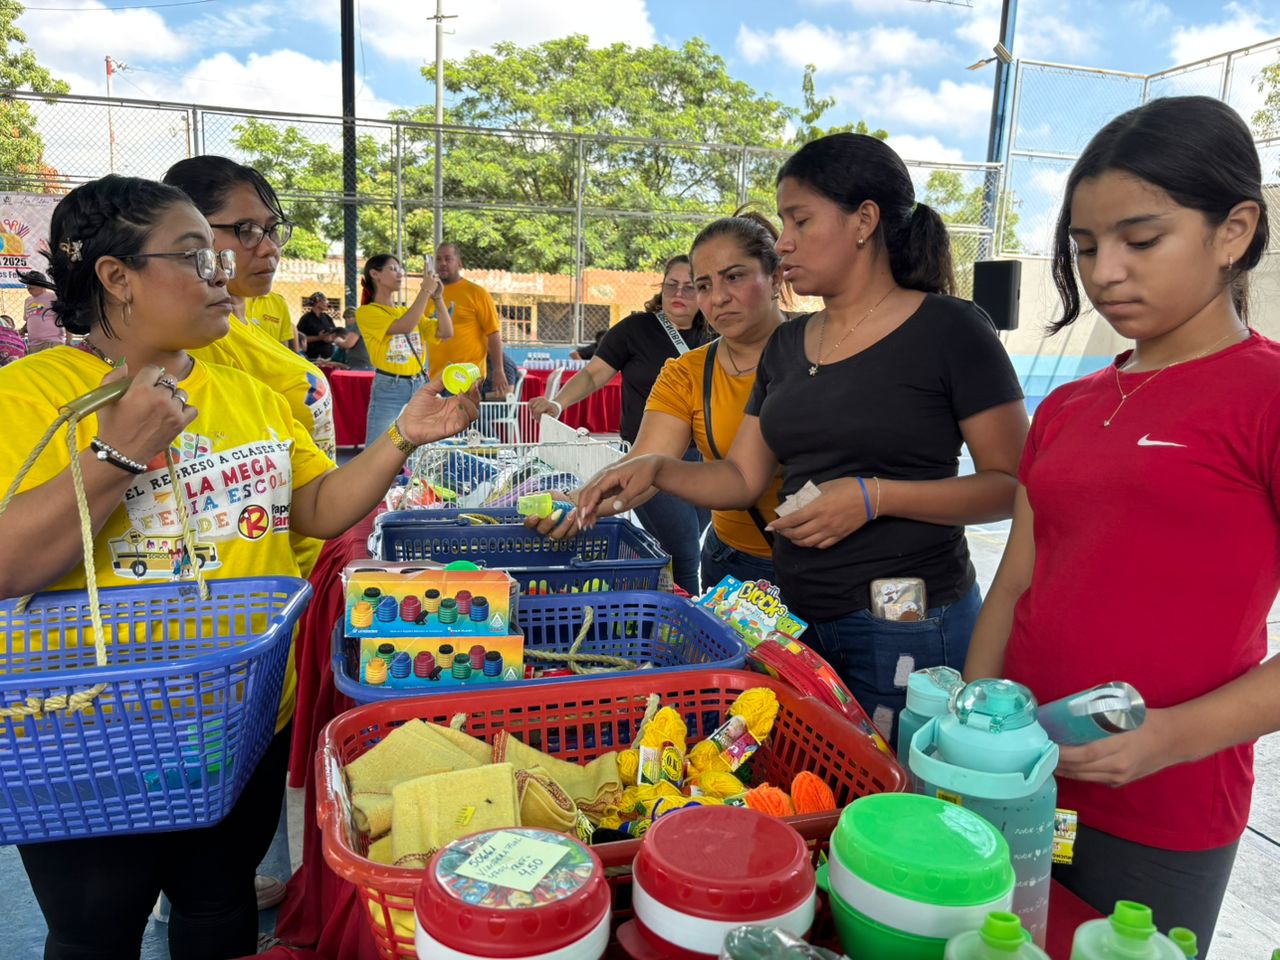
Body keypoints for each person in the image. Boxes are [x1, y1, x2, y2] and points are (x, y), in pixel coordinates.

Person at [0, 174, 478, 960]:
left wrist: (403, 442)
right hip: (95, 729)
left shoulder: (247, 394)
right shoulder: (35, 394)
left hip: (240, 714)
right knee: (95, 933)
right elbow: (12, 563)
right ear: (116, 277)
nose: (223, 277)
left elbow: (317, 509)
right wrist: (120, 450)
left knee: (219, 908)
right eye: (195, 258)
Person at [575, 133, 1027, 741]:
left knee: (894, 800)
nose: (783, 239)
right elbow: (741, 479)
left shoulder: (949, 328)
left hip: (904, 622)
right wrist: (658, 470)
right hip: (794, 617)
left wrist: (875, 497)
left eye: (800, 219)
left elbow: (1011, 486)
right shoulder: (790, 345)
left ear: (864, 220)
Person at [964, 96, 1277, 950]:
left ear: (1234, 231)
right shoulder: (1066, 406)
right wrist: (971, 727)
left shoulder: (1265, 396)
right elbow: (1016, 581)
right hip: (1020, 778)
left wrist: (1172, 737)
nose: (1105, 272)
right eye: (1086, 246)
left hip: (1164, 807)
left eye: (1141, 241)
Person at [527, 212, 786, 589]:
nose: (718, 297)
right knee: (684, 550)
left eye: (734, 277)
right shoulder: (686, 371)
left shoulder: (820, 353)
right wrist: (575, 502)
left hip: (828, 570)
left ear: (776, 278)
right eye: (704, 284)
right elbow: (646, 460)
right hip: (733, 570)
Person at [530, 255, 713, 594]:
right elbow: (593, 374)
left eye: (691, 287)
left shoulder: (715, 331)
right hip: (647, 456)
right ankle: (688, 625)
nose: (680, 293)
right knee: (686, 552)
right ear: (661, 288)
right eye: (672, 284)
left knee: (677, 547)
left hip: (705, 459)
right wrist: (558, 403)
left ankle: (657, 607)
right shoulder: (637, 329)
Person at [358, 253, 453, 445]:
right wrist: (425, 291)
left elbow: (446, 331)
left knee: (420, 445)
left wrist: (438, 299)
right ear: (375, 274)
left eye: (400, 269)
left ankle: (409, 476)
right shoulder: (367, 312)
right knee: (378, 446)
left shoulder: (406, 312)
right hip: (390, 387)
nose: (399, 274)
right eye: (393, 269)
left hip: (418, 384)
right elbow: (404, 326)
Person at [427, 243, 508, 395]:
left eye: (448, 259)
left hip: (466, 378)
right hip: (436, 379)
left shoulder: (477, 293)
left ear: (459, 264)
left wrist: (498, 370)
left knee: (462, 419)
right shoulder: (428, 293)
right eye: (438, 259)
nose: (442, 263)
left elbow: (493, 333)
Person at [19, 269, 65, 352]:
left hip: (52, 341)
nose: (28, 287)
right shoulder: (28, 300)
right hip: (33, 344)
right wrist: (22, 330)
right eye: (27, 284)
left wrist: (69, 340)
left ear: (42, 285)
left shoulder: (54, 297)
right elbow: (30, 319)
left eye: (32, 284)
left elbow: (65, 317)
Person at [298, 291, 339, 361]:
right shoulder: (306, 319)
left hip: (329, 356)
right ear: (317, 302)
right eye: (325, 300)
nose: (327, 302)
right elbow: (299, 339)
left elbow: (335, 334)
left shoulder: (327, 317)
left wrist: (330, 338)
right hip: (312, 357)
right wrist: (319, 338)